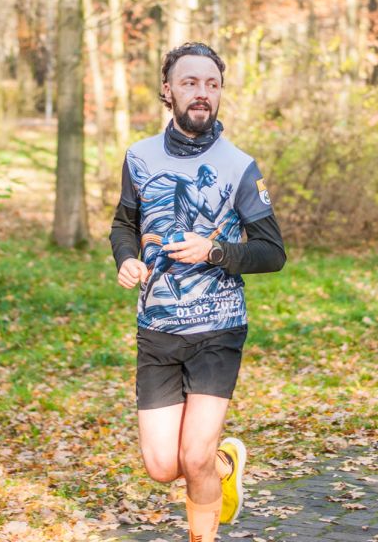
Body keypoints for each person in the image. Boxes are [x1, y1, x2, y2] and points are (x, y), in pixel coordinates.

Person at [110, 42, 286, 542]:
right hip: (157, 331)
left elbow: (272, 252)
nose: (202, 93)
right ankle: (226, 466)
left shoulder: (240, 167)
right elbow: (124, 223)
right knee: (163, 466)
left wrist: (214, 251)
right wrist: (126, 257)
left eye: (212, 84)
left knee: (193, 456)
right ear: (168, 90)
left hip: (218, 329)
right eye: (190, 82)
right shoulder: (139, 157)